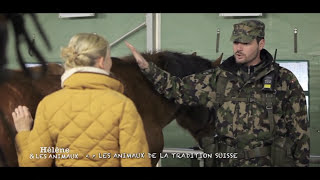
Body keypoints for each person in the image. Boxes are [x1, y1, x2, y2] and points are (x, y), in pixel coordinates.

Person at [125, 19, 310, 167]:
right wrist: (147, 67)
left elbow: (299, 131)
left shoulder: (284, 80)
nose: (238, 47)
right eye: (236, 42)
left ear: (261, 43)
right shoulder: (219, 78)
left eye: (245, 43)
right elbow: (177, 89)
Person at [12, 33, 151, 167]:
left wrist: (23, 132)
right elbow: (137, 162)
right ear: (102, 62)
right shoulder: (123, 105)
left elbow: (35, 163)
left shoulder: (48, 104)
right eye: (109, 59)